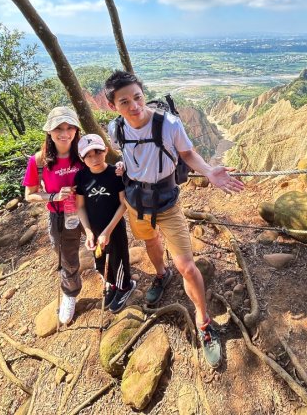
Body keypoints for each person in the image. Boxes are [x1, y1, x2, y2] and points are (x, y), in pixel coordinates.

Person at [105, 70, 244, 369]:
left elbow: (188, 153)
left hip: (167, 203)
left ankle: (203, 320)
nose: (134, 106)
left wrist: (209, 171)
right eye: (125, 101)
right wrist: (122, 168)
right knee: (150, 242)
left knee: (187, 266)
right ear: (113, 106)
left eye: (138, 97)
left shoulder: (168, 124)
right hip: (135, 201)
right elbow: (126, 156)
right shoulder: (115, 128)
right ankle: (160, 274)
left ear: (144, 94)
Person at [23, 106, 84, 325]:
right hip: (60, 216)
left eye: (70, 128)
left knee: (103, 245)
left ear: (76, 130)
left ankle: (107, 275)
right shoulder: (39, 161)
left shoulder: (84, 153)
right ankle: (70, 293)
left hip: (88, 210)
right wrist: (53, 196)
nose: (64, 133)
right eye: (59, 128)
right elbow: (29, 195)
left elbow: (102, 169)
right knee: (67, 258)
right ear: (49, 131)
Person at [75, 133, 136, 313]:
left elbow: (123, 204)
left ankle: (125, 286)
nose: (94, 158)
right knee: (100, 261)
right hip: (93, 228)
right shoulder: (81, 177)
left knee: (118, 259)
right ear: (82, 158)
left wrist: (108, 231)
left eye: (98, 152)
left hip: (114, 227)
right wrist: (88, 232)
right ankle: (112, 284)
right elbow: (80, 206)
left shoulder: (114, 174)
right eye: (88, 155)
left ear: (106, 151)